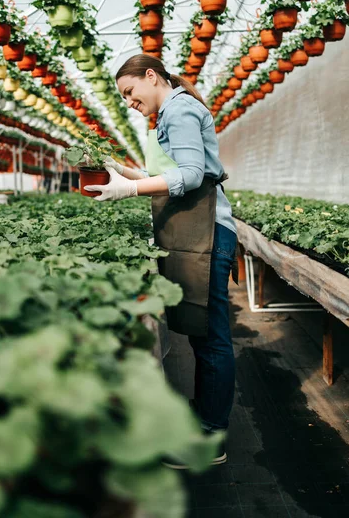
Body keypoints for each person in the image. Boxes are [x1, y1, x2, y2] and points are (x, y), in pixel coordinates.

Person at [85, 54, 238, 467]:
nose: (130, 103)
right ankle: (205, 417)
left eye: (131, 93)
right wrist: (124, 172)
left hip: (208, 233)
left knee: (212, 338)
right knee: (201, 331)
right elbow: (170, 173)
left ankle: (210, 437)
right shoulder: (168, 114)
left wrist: (129, 191)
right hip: (194, 233)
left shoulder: (181, 108)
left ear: (151, 76)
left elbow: (189, 176)